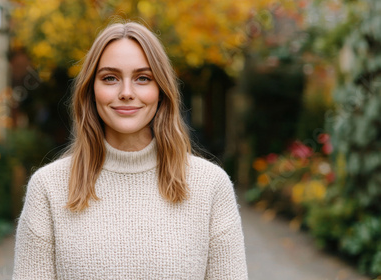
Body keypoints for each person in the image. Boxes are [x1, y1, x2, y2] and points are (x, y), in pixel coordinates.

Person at [12, 21, 248, 279]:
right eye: (110, 78)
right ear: (91, 90)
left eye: (143, 78)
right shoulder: (48, 187)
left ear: (161, 90)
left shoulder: (210, 186)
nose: (126, 92)